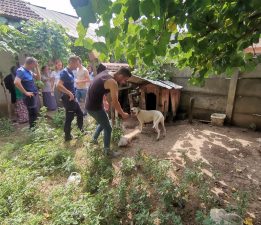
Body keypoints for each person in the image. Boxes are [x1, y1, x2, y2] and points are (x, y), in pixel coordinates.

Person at [85, 66, 131, 157]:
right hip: (94, 107)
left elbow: (98, 87)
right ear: (120, 75)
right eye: (124, 80)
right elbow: (115, 101)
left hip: (90, 104)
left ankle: (94, 139)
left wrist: (104, 99)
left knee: (104, 121)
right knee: (108, 128)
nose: (124, 82)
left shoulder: (107, 72)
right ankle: (107, 152)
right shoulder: (113, 82)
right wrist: (123, 113)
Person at [57, 56, 84, 141]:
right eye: (77, 63)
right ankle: (67, 136)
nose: (78, 65)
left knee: (80, 113)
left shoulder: (70, 72)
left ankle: (80, 130)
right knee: (69, 117)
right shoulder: (64, 72)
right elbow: (58, 85)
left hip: (73, 98)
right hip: (68, 99)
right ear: (72, 62)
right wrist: (69, 93)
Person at [14, 57, 41, 128]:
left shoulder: (29, 71)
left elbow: (38, 78)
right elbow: (16, 82)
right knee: (33, 113)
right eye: (34, 65)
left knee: (33, 113)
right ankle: (33, 129)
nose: (34, 67)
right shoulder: (21, 71)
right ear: (30, 64)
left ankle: (33, 129)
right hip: (28, 96)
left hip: (33, 95)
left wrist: (37, 68)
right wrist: (26, 92)